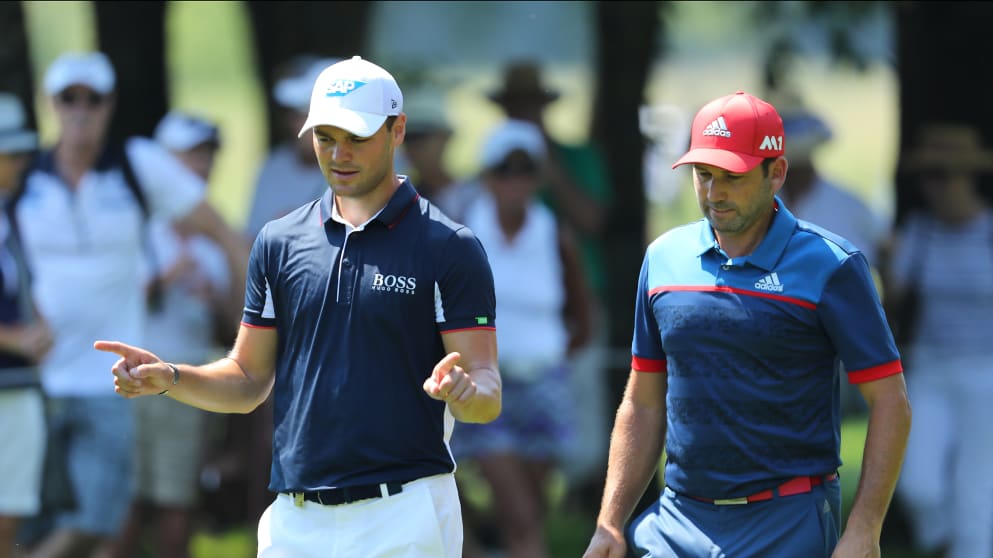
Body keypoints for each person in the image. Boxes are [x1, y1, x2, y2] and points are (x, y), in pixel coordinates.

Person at [94, 55, 501, 558]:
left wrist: (463, 393)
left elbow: (487, 388)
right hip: (295, 521)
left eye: (356, 137)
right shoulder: (279, 242)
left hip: (403, 513)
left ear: (397, 131)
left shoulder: (449, 247)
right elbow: (247, 379)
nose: (339, 154)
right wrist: (171, 377)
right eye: (325, 137)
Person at [583, 90, 911, 558]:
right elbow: (642, 401)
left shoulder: (832, 266)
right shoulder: (662, 259)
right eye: (703, 175)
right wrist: (610, 524)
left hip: (788, 523)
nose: (714, 193)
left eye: (731, 177)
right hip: (675, 524)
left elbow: (890, 402)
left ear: (775, 172)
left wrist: (865, 529)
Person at [14, 51, 248, 558]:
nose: (81, 110)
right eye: (68, 98)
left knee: (99, 524)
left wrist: (244, 332)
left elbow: (226, 235)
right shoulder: (25, 176)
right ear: (51, 104)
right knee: (30, 521)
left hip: (111, 385)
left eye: (92, 98)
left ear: (110, 103)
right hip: (38, 379)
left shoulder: (137, 164)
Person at [453, 119, 594, 558]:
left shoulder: (554, 233)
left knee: (530, 513)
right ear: (487, 177)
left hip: (544, 384)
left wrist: (554, 357)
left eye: (525, 171)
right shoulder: (463, 234)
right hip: (486, 387)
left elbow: (583, 313)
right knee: (517, 512)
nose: (515, 182)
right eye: (504, 170)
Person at [107, 110, 241, 558]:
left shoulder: (216, 238)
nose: (201, 166)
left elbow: (235, 325)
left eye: (208, 154)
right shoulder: (136, 227)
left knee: (178, 497)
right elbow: (107, 307)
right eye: (190, 155)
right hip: (131, 379)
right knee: (128, 500)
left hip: (189, 379)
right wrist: (168, 276)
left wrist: (216, 299)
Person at [488, 58, 612, 505]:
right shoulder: (491, 171)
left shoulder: (577, 159)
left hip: (570, 316)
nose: (525, 115)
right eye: (516, 107)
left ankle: (587, 518)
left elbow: (592, 221)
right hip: (511, 331)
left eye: (532, 106)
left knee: (584, 432)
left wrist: (551, 172)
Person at [885, 123, 993, 558]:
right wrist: (886, 263)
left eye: (944, 175)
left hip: (986, 375)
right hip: (929, 369)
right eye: (929, 176)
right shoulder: (918, 232)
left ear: (967, 177)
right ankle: (946, 541)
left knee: (974, 493)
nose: (936, 187)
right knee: (919, 484)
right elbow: (893, 302)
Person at [0, 93, 54, 558]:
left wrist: (39, 326)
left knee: (10, 519)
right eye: (10, 152)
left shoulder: (8, 214)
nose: (20, 162)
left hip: (16, 385)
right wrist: (14, 337)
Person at [243, 55, 341, 241]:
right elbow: (251, 240)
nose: (298, 124)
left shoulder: (376, 167)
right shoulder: (274, 165)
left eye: (307, 113)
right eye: (295, 114)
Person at [401, 89, 482, 223]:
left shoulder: (477, 195)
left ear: (445, 138)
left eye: (422, 137)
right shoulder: (402, 203)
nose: (414, 147)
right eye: (408, 139)